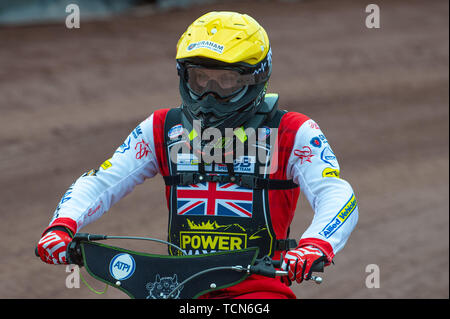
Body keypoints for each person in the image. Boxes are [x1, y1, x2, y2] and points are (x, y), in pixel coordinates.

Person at [37, 11, 358, 299]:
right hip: (175, 288)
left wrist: (316, 244)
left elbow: (336, 192)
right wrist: (62, 225)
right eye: (201, 78)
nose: (210, 94)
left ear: (256, 77)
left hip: (260, 292)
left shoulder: (292, 131)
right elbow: (102, 180)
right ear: (184, 76)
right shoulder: (162, 128)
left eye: (226, 81)